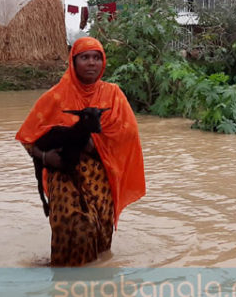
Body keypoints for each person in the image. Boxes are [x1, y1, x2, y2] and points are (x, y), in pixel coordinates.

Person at [16, 37, 145, 266]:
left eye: (96, 58)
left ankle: (94, 286)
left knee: (101, 228)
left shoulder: (113, 95)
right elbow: (28, 138)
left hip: (99, 173)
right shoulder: (56, 96)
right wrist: (46, 157)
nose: (91, 63)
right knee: (72, 222)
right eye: (85, 57)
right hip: (63, 172)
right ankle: (65, 277)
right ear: (73, 62)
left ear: (103, 62)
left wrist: (95, 144)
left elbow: (128, 133)